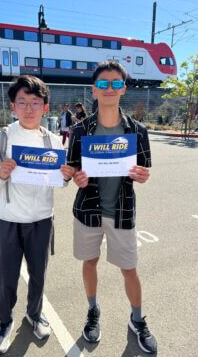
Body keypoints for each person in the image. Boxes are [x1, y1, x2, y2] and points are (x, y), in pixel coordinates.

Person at [0, 75, 74, 355]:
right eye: (23, 102)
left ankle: (34, 314)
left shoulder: (54, 140)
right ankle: (5, 323)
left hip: (42, 219)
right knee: (6, 277)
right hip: (8, 220)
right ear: (13, 106)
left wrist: (66, 176)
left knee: (39, 274)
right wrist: (0, 173)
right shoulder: (3, 137)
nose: (29, 108)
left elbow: (61, 180)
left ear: (45, 107)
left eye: (35, 102)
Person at [67, 61, 157, 354]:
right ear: (94, 89)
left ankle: (137, 319)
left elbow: (144, 170)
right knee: (89, 262)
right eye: (103, 83)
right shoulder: (79, 130)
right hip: (87, 211)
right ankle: (93, 311)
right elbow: (71, 170)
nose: (109, 88)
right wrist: (76, 177)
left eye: (116, 83)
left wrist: (143, 176)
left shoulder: (137, 131)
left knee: (129, 269)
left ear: (124, 89)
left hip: (121, 212)